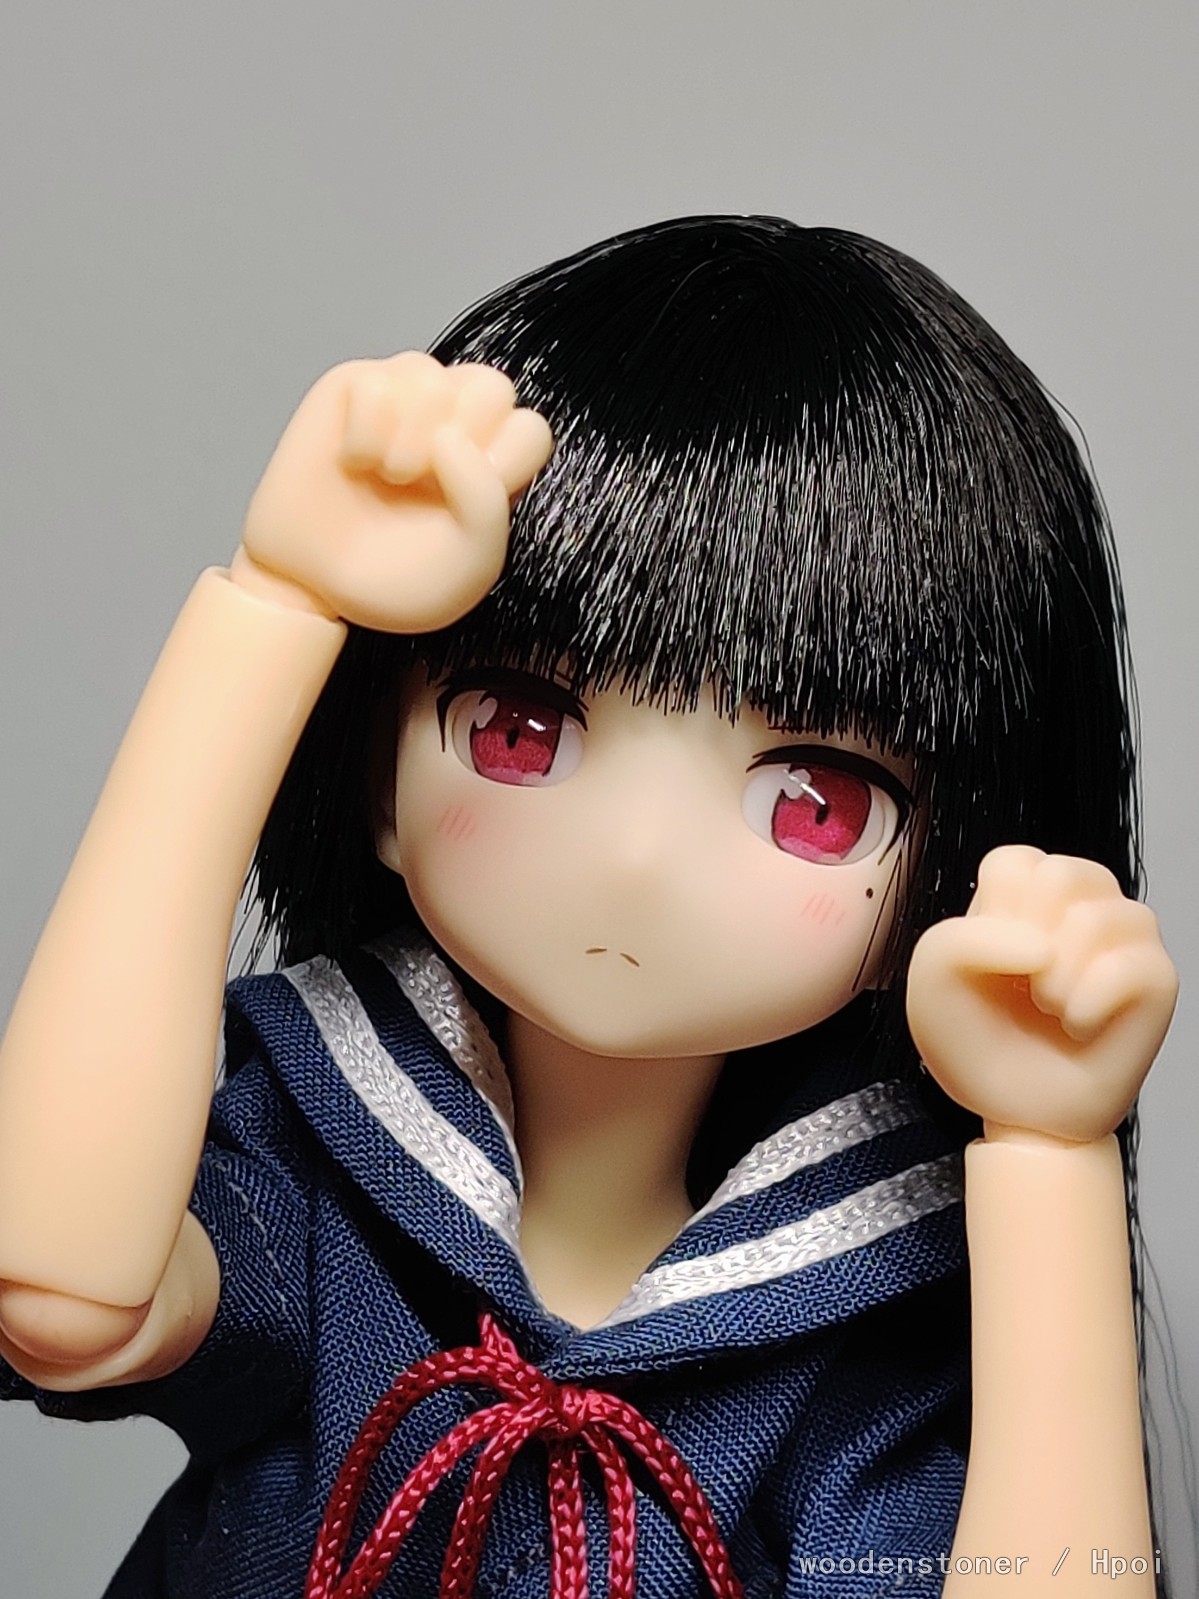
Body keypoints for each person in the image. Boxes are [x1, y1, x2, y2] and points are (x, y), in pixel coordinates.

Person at [0, 216, 1177, 1597]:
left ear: (936, 881)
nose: (634, 858)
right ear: (379, 785)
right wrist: (272, 615)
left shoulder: (858, 1321)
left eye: (816, 804)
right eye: (519, 730)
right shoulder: (318, 1167)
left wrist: (1049, 1158)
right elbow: (57, 1292)